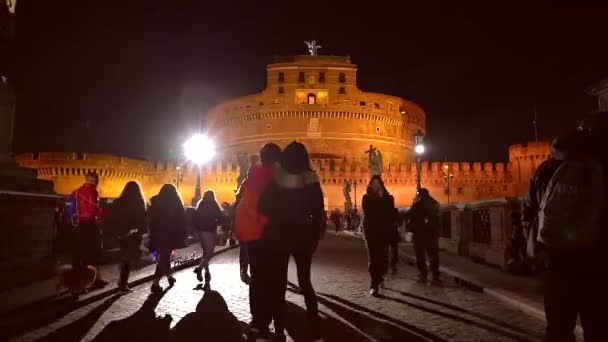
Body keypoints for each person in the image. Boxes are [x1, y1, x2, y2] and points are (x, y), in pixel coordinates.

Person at [521, 111, 608, 342]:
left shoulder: (548, 168)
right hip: (599, 261)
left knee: (559, 329)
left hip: (557, 258)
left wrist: (534, 248)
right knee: (599, 328)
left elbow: (529, 209)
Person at [259, 141, 326, 342]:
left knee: (278, 284)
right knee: (305, 281)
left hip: (279, 236)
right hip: (303, 237)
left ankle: (279, 329)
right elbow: (318, 210)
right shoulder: (311, 180)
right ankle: (314, 323)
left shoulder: (276, 179)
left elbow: (264, 206)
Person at [233, 143, 281, 340]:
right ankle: (268, 322)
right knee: (271, 279)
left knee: (257, 277)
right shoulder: (276, 177)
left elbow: (239, 200)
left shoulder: (251, 176)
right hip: (268, 232)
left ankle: (257, 321)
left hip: (251, 234)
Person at [70, 172, 108, 289]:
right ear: (94, 181)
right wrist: (106, 212)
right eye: (95, 181)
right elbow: (93, 210)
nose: (95, 183)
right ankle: (92, 281)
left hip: (77, 225)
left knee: (81, 254)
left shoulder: (76, 191)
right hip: (89, 224)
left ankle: (82, 281)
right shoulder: (92, 191)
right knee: (93, 254)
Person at [109, 181, 147, 292]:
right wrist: (139, 231)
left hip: (122, 234)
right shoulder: (139, 202)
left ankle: (122, 281)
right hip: (133, 234)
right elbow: (142, 220)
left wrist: (119, 232)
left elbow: (114, 218)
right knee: (128, 259)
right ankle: (123, 284)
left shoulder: (119, 202)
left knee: (124, 257)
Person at [148, 184, 187, 293]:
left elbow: (150, 220)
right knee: (164, 258)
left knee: (164, 257)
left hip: (157, 234)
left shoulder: (155, 203)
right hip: (170, 235)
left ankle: (169, 276)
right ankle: (155, 283)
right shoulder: (175, 204)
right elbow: (181, 221)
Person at [362, 175, 396, 297]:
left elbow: (391, 213)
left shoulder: (389, 198)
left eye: (378, 183)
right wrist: (379, 199)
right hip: (371, 232)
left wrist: (383, 198)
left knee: (383, 258)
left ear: (381, 184)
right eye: (373, 184)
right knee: (373, 258)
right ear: (370, 185)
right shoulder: (366, 198)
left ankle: (380, 276)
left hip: (384, 232)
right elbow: (368, 211)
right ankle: (374, 284)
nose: (375, 186)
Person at [407, 188, 441, 285]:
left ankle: (423, 274)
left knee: (420, 256)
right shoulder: (434, 203)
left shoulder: (417, 205)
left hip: (419, 234)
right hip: (431, 234)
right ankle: (435, 275)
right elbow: (437, 218)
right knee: (433, 255)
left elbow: (410, 216)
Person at [193, 190, 224, 288]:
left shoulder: (200, 205)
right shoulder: (214, 205)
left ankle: (206, 273)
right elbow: (220, 217)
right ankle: (200, 268)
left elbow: (196, 219)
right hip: (210, 231)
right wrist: (215, 223)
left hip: (201, 232)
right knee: (209, 253)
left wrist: (197, 231)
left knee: (206, 252)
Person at [388, 208, 401, 275]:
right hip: (393, 233)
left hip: (387, 233)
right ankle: (393, 266)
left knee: (384, 251)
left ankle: (391, 266)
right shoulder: (395, 211)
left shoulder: (384, 211)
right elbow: (399, 222)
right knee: (394, 251)